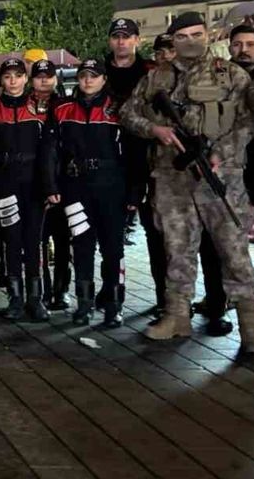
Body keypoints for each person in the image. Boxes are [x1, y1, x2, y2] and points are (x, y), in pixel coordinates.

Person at [129, 13, 254, 354]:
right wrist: (155, 130)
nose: (190, 41)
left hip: (220, 177)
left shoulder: (230, 73)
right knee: (177, 249)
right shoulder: (155, 77)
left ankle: (251, 331)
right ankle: (177, 317)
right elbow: (128, 113)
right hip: (172, 179)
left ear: (207, 35)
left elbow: (247, 123)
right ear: (173, 40)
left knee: (234, 252)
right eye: (183, 36)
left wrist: (219, 154)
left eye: (197, 34)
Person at [41, 59, 131, 328]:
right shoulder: (63, 109)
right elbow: (50, 151)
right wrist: (51, 185)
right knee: (81, 246)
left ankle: (114, 305)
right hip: (76, 187)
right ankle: (84, 304)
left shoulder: (119, 109)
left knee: (113, 248)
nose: (88, 81)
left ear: (104, 79)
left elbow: (134, 153)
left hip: (112, 187)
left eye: (93, 76)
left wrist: (135, 192)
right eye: (83, 76)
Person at [0, 59, 50, 322]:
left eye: (18, 75)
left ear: (25, 79)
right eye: (7, 76)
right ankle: (15, 298)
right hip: (5, 184)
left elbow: (50, 152)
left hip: (34, 185)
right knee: (11, 240)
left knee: (34, 241)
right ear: (1, 80)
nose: (12, 81)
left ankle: (36, 299)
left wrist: (49, 186)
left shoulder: (40, 108)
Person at [102, 18, 157, 313]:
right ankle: (111, 290)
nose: (121, 41)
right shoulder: (98, 71)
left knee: (157, 233)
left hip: (147, 161)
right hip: (109, 163)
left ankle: (166, 300)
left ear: (137, 39)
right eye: (116, 36)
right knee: (109, 233)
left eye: (127, 36)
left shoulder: (151, 72)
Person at [29, 60, 70, 310]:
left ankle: (61, 290)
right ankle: (41, 289)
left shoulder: (65, 105)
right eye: (39, 76)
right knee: (38, 240)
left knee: (63, 239)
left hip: (61, 182)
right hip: (32, 181)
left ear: (55, 78)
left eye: (48, 75)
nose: (44, 80)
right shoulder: (24, 104)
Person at [231, 25, 254, 247]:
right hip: (228, 165)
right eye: (237, 44)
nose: (243, 49)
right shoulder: (216, 78)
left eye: (250, 44)